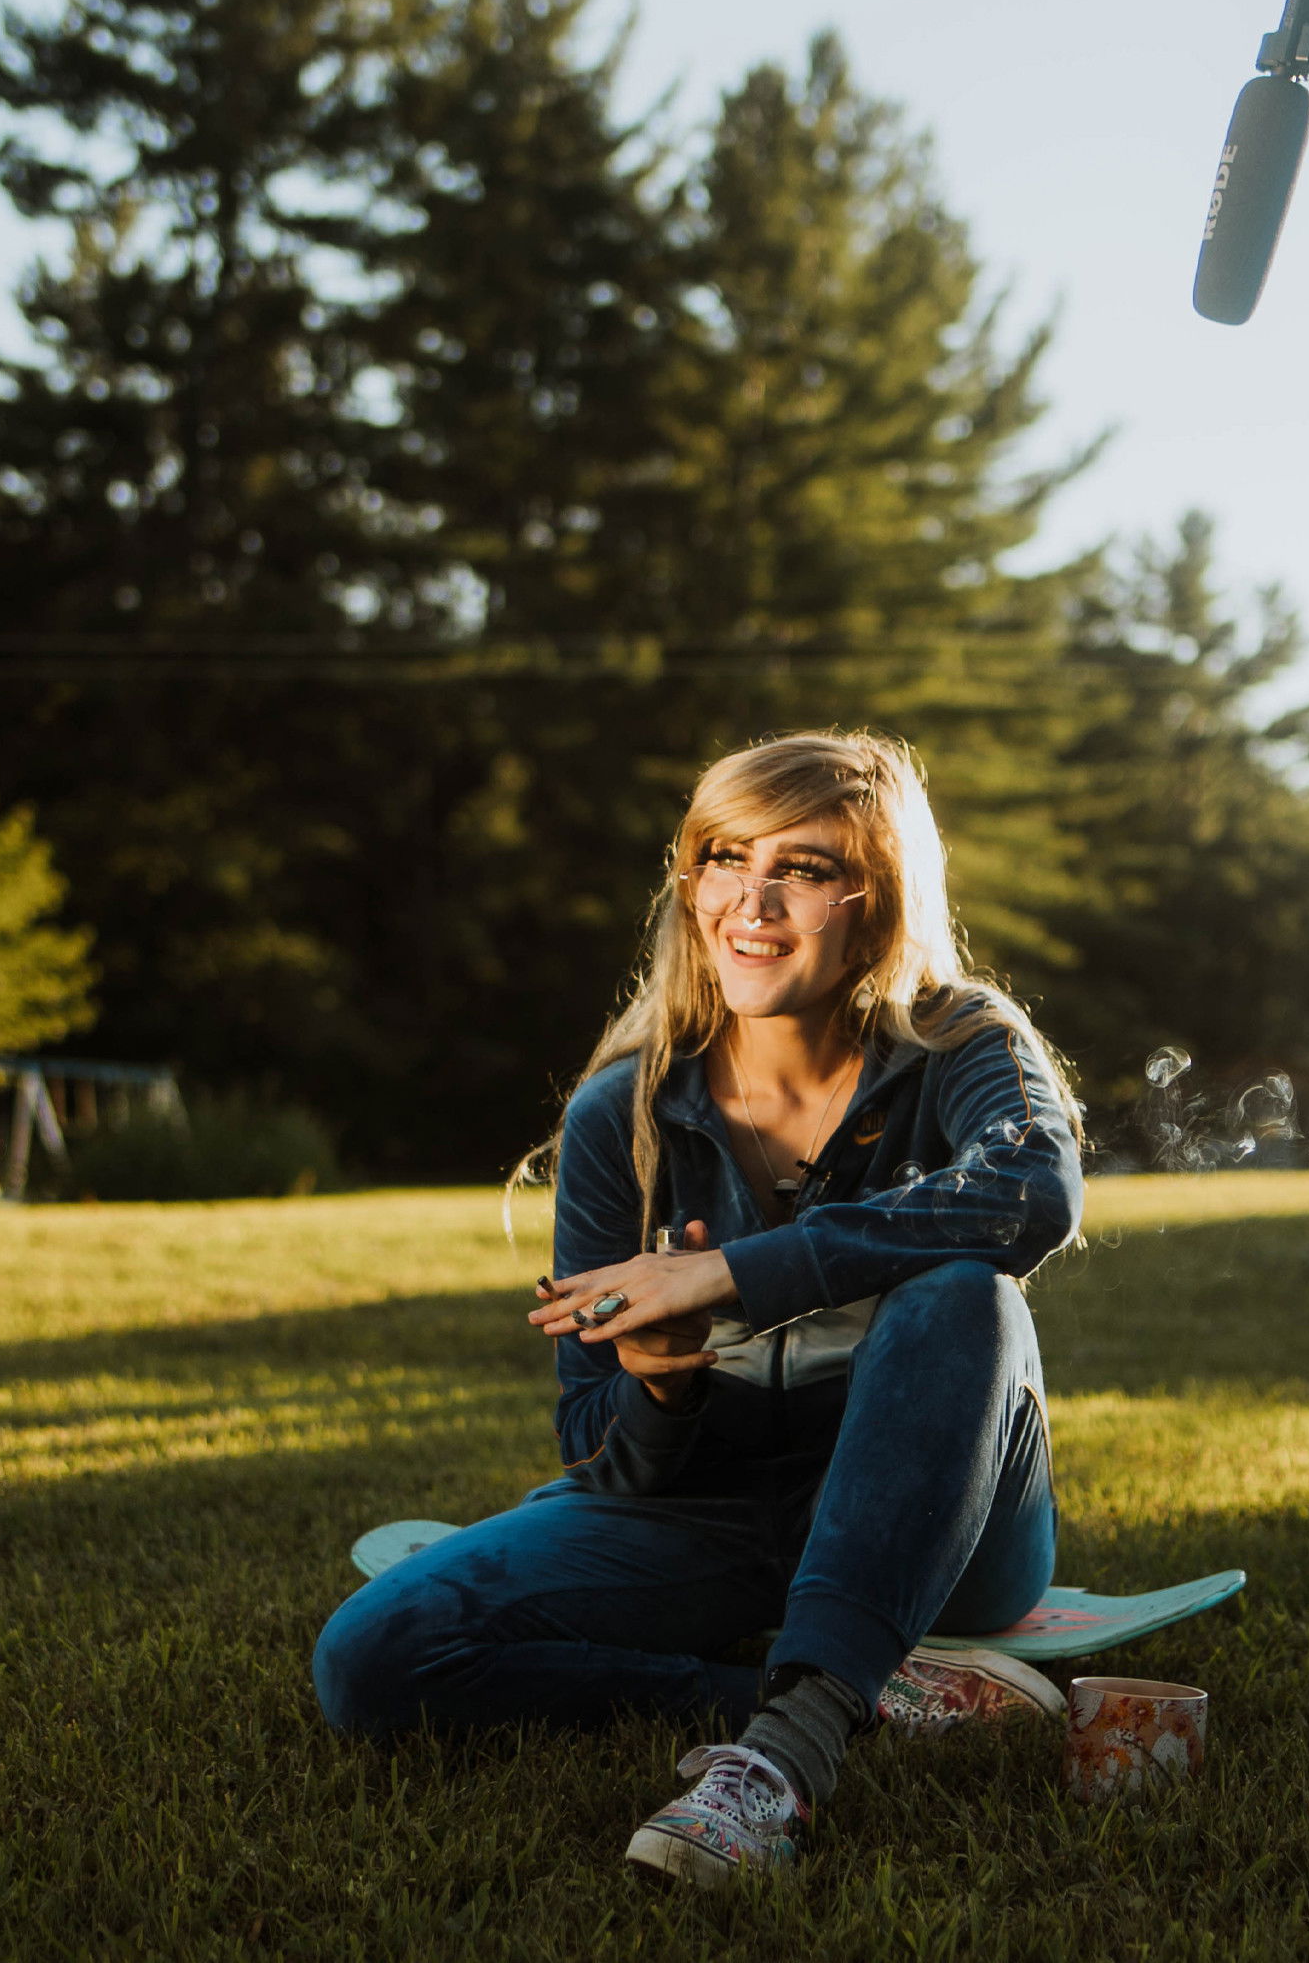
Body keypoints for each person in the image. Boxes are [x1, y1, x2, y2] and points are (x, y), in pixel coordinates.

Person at [310, 730, 1086, 1886]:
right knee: (373, 1657)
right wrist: (662, 1383)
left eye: (805, 869)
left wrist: (733, 1275)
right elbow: (599, 1451)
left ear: (877, 901)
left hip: (949, 1524)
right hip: (719, 1520)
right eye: (725, 858)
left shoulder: (963, 1042)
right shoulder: (623, 1117)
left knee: (963, 1293)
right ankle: (859, 1684)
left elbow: (1034, 1192)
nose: (751, 902)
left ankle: (786, 1752)